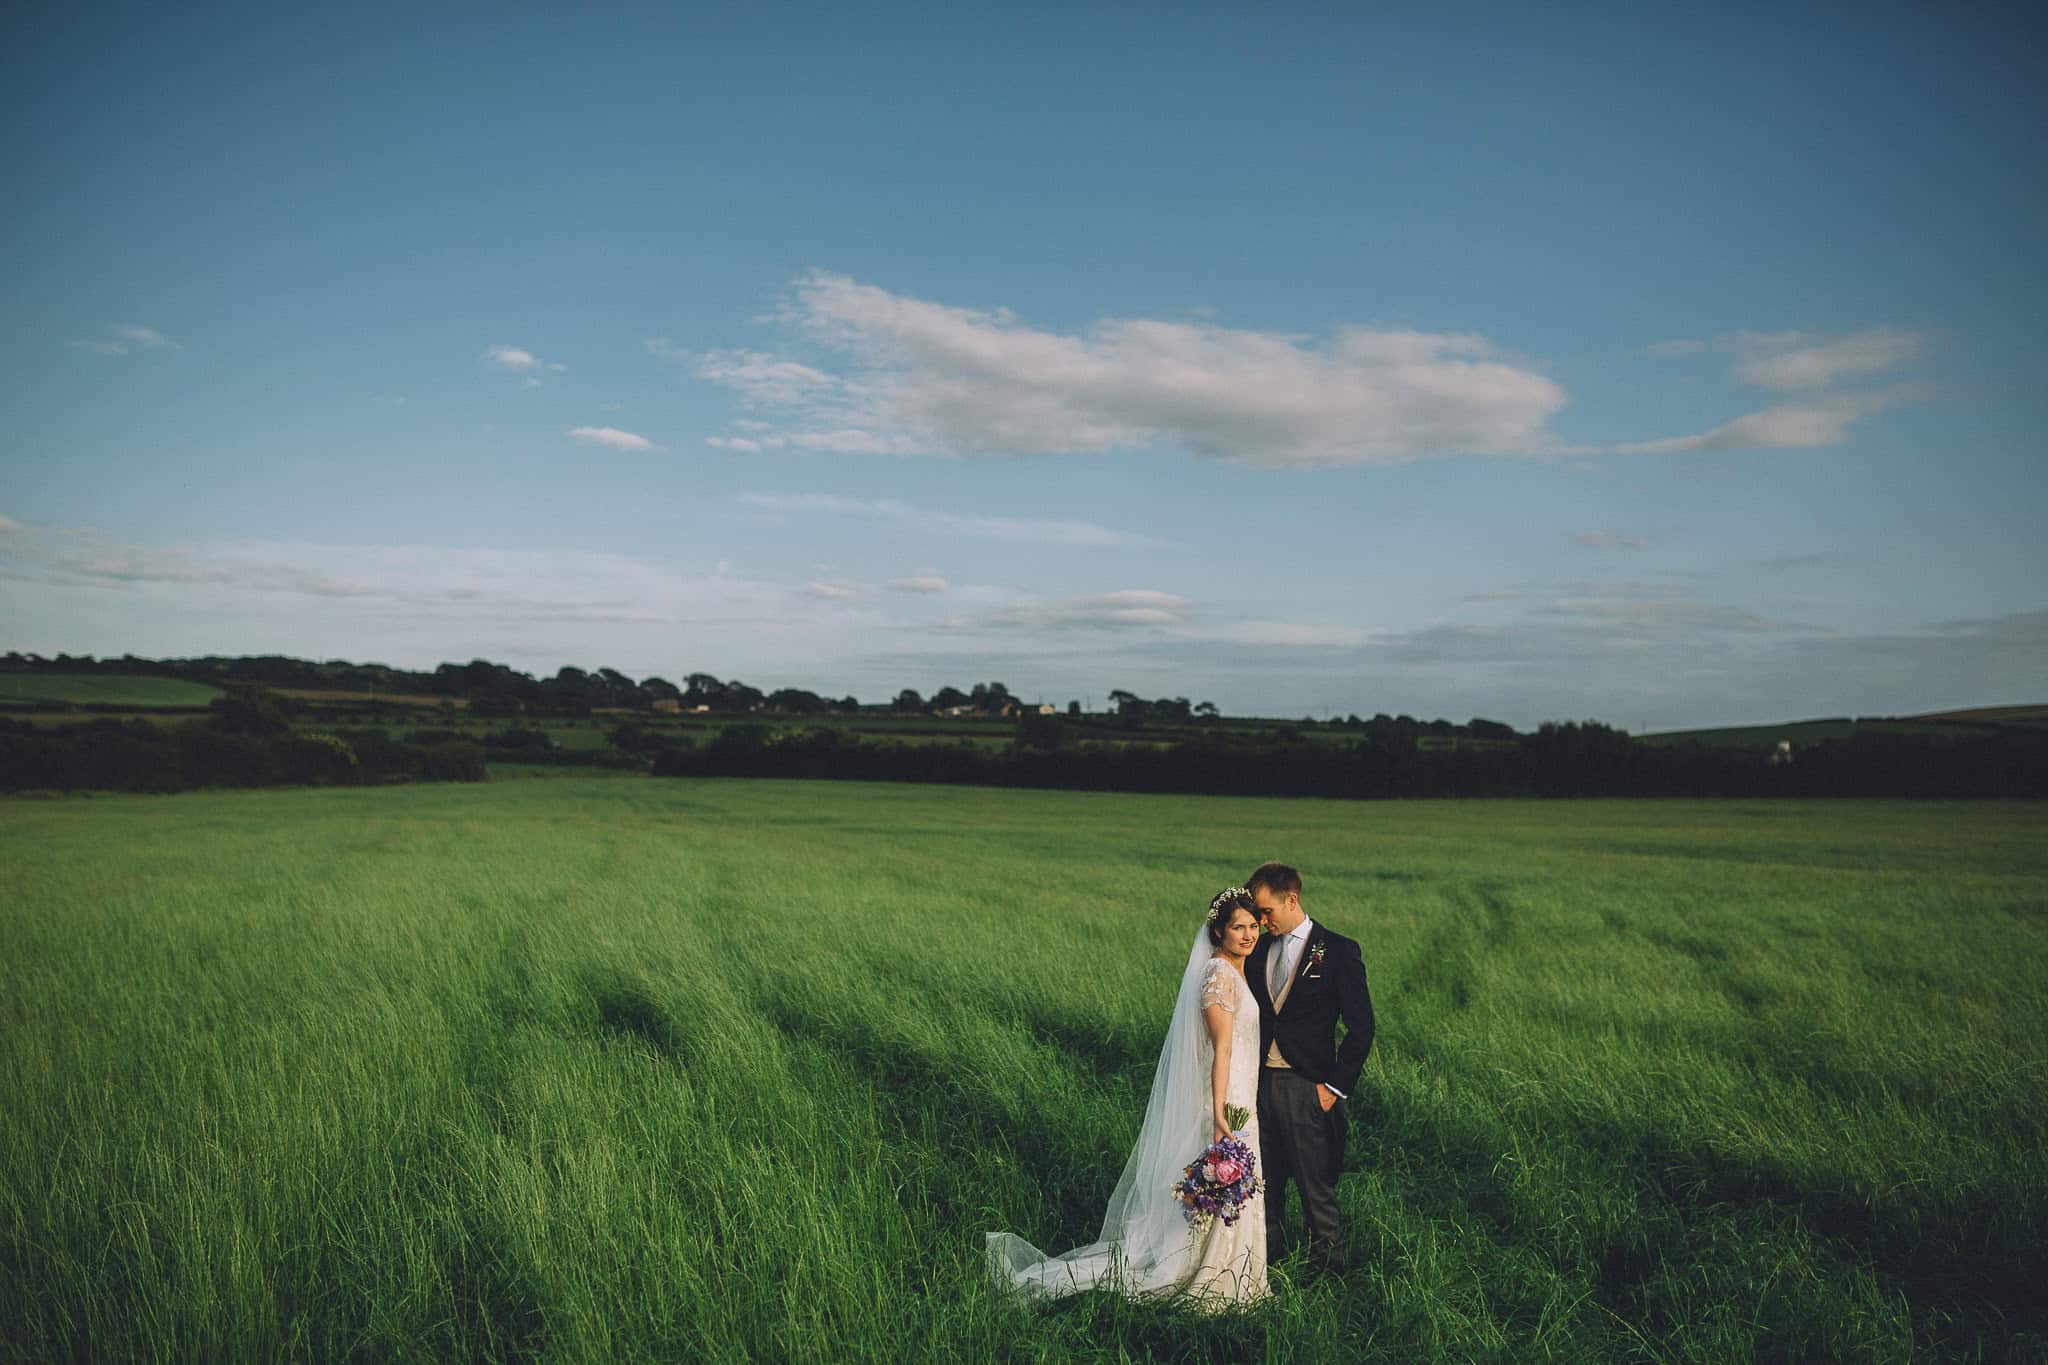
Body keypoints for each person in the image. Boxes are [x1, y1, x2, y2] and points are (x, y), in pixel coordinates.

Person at [987, 888, 1272, 1308]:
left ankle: (1237, 1271)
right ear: (1218, 931)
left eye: (1252, 926)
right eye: (1237, 927)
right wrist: (1218, 1114)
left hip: (1240, 1095)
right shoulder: (1219, 975)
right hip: (1226, 1100)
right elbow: (1222, 1049)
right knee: (1225, 1182)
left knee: (1232, 1187)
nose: (1248, 935)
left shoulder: (1234, 969)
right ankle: (1214, 1277)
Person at [1244, 862, 1374, 1278]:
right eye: (1257, 914)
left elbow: (1362, 1027)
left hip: (1308, 1085)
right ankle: (1268, 1263)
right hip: (1259, 1084)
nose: (1261, 922)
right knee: (1265, 1183)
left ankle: (1328, 1272)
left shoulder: (1337, 950)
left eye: (1266, 912)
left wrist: (1333, 1088)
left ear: (1292, 899)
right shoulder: (1259, 949)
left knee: (1315, 1184)